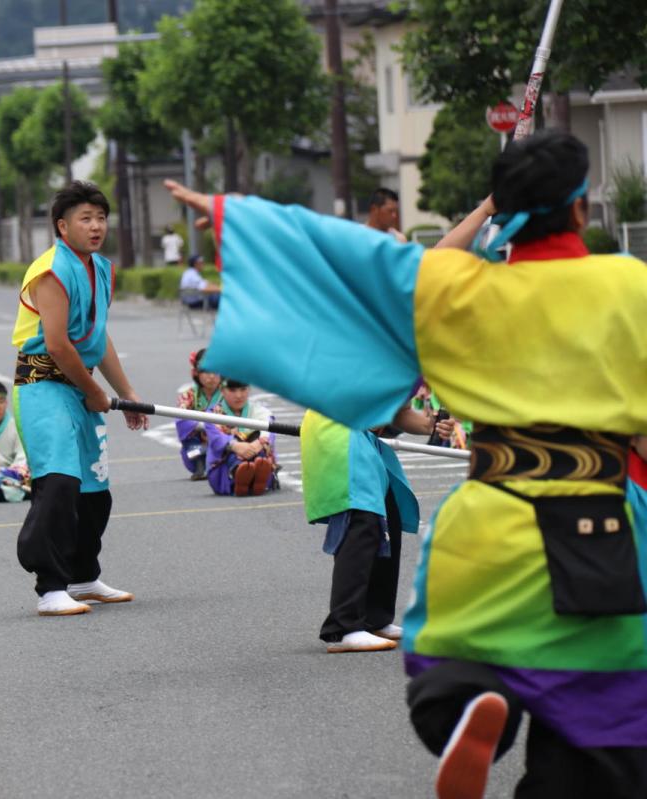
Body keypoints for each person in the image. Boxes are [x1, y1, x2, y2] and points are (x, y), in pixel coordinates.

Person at [165, 129, 647, 798]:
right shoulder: (630, 285)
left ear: (506, 213)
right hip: (602, 524)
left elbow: (351, 255)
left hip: (493, 521)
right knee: (605, 736)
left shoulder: (460, 287)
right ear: (580, 210)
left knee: (450, 663)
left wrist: (233, 215)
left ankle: (474, 702)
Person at [11, 180, 148, 617]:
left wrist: (126, 394)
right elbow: (56, 344)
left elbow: (96, 335)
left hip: (78, 385)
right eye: (85, 219)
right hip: (43, 386)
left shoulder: (99, 268)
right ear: (62, 225)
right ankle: (50, 586)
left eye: (101, 218)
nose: (96, 226)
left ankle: (83, 576)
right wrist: (96, 393)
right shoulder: (51, 270)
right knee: (60, 483)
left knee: (94, 489)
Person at [301, 402, 452, 653]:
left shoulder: (415, 368)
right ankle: (344, 627)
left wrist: (429, 425)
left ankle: (374, 618)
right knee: (362, 520)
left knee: (388, 517)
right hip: (337, 428)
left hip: (362, 436)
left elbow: (399, 412)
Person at [203, 380, 277, 497]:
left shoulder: (259, 410)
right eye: (232, 390)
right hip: (225, 470)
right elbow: (217, 439)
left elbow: (269, 428)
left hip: (256, 452)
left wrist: (259, 443)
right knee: (230, 448)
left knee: (262, 445)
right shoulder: (213, 413)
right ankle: (238, 472)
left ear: (249, 389)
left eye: (243, 389)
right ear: (222, 391)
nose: (238, 395)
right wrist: (234, 445)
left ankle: (259, 476)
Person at [176, 348, 223, 480]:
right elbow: (181, 418)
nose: (211, 376)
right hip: (198, 447)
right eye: (206, 371)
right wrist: (205, 425)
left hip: (225, 438)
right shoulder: (189, 395)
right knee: (184, 426)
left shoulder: (228, 393)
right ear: (196, 373)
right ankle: (200, 465)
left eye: (215, 371)